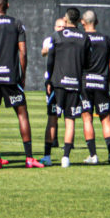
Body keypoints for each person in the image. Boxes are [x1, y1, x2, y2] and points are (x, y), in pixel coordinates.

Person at [0, 0, 42, 168]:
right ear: (7, 6)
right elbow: (23, 52)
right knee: (22, 114)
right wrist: (23, 75)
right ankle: (29, 158)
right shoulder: (16, 24)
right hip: (11, 77)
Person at [45, 8, 95, 166]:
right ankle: (65, 157)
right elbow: (88, 62)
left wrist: (48, 80)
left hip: (57, 83)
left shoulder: (57, 36)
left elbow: (50, 60)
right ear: (78, 20)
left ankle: (47, 156)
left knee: (52, 118)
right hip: (75, 83)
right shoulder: (84, 38)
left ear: (66, 20)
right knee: (70, 120)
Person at [81, 9, 110, 164]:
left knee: (87, 118)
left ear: (82, 22)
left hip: (85, 82)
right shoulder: (106, 39)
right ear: (96, 22)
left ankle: (93, 155)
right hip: (101, 83)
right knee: (106, 119)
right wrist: (106, 81)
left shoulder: (81, 39)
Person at [41, 17, 66, 166]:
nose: (61, 29)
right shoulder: (50, 39)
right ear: (54, 27)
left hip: (64, 78)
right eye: (59, 26)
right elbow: (44, 52)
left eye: (63, 26)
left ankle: (68, 143)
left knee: (67, 113)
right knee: (52, 112)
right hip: (52, 79)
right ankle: (54, 139)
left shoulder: (68, 40)